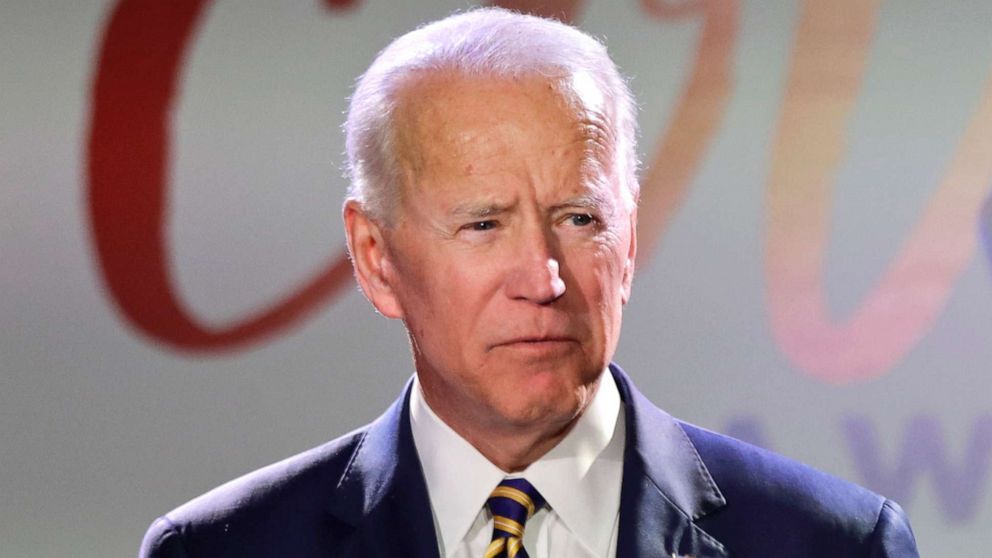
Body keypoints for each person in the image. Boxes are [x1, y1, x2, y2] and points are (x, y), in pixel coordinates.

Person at [139, 8, 919, 558]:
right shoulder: (220, 550)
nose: (543, 279)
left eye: (579, 218)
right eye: (483, 224)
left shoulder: (833, 545)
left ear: (630, 236)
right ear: (376, 258)